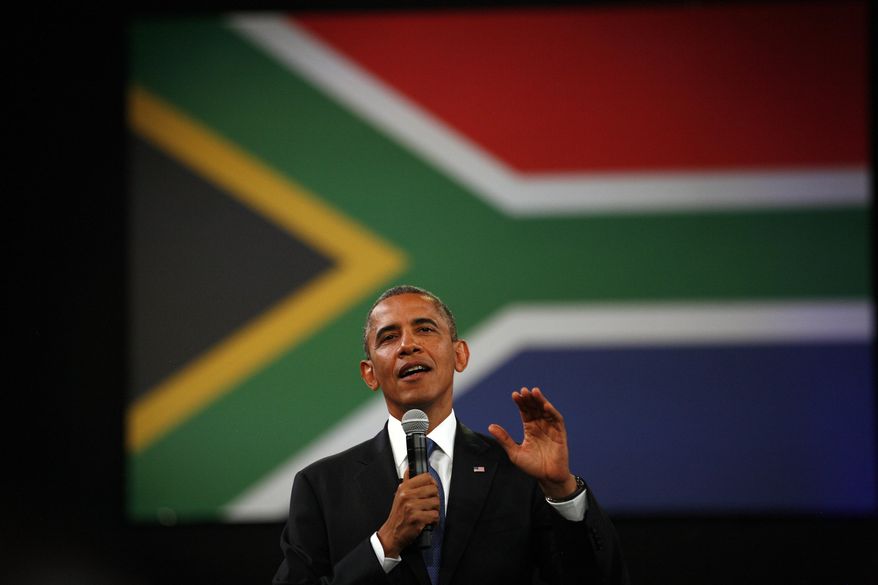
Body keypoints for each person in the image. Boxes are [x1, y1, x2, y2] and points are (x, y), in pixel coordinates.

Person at [273, 285, 629, 584]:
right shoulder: (321, 486)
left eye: (425, 329)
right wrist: (385, 544)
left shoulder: (518, 473)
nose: (408, 345)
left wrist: (561, 490)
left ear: (460, 354)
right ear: (370, 374)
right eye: (389, 337)